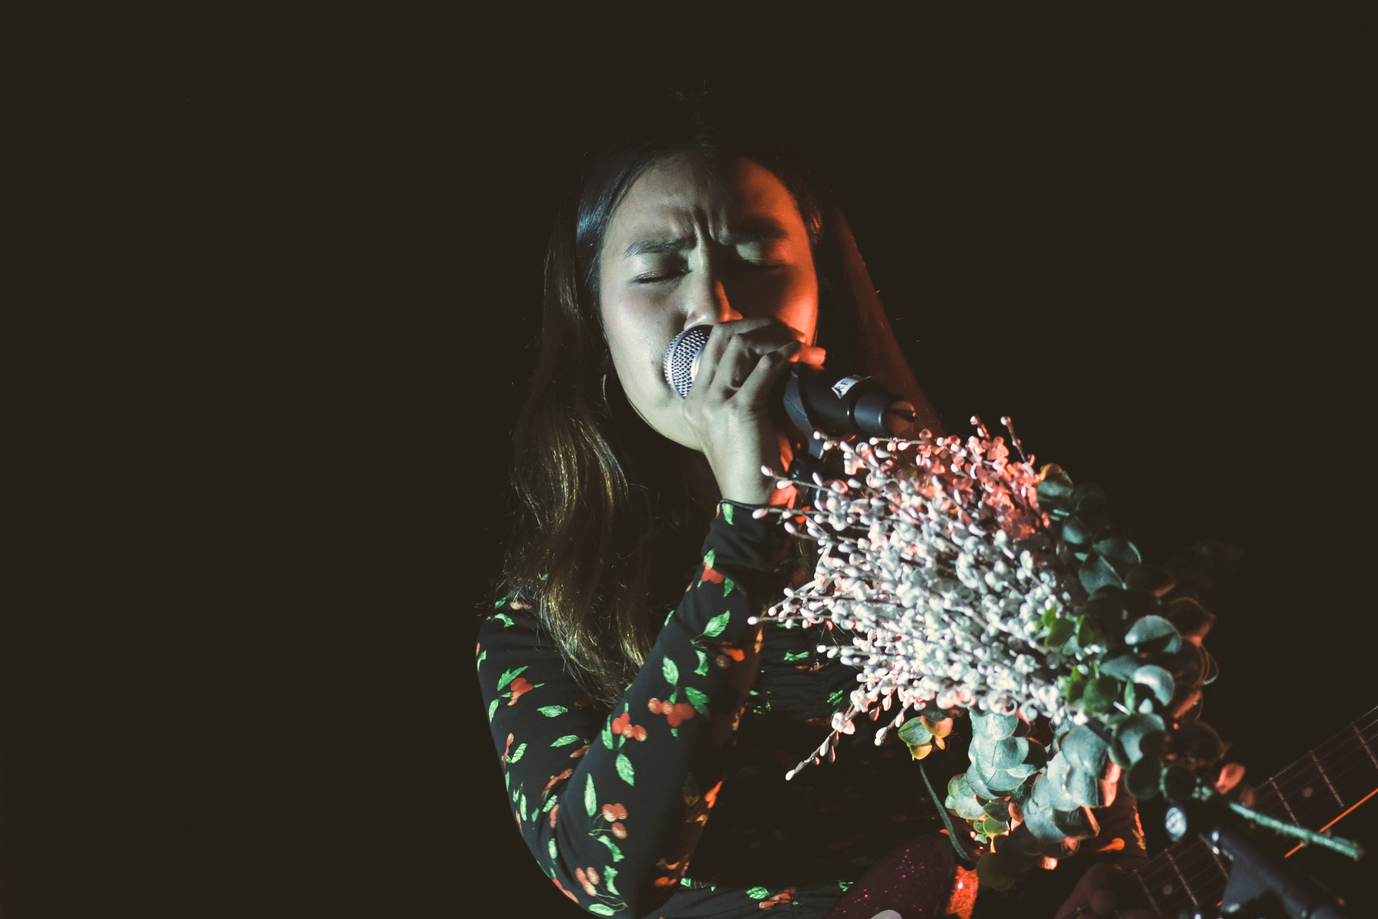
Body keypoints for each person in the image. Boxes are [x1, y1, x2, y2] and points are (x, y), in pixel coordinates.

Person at [476, 98, 1160, 919]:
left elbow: (1088, 788)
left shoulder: (965, 541)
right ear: (594, 318)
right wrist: (747, 524)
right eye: (659, 268)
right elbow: (608, 873)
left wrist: (1113, 865)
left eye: (758, 254)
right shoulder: (541, 621)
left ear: (820, 286)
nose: (717, 306)